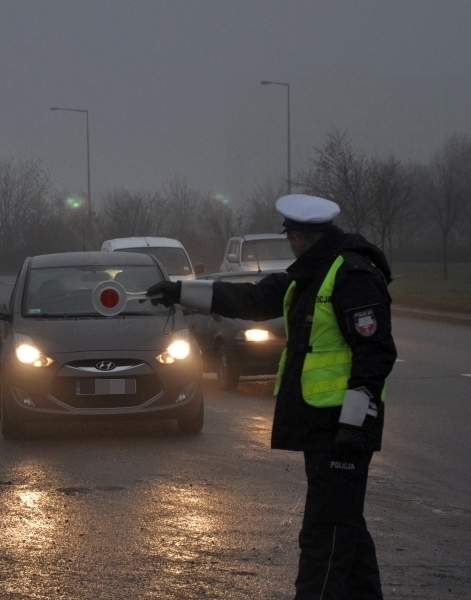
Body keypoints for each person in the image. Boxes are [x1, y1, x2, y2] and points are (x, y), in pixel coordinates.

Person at [147, 194, 397, 599]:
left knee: (324, 534)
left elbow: (375, 354)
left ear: (300, 237)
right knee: (345, 527)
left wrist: (353, 425)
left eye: (292, 239)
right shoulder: (311, 273)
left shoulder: (352, 275)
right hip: (322, 425)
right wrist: (179, 291)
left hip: (343, 430)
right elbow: (250, 300)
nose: (291, 246)